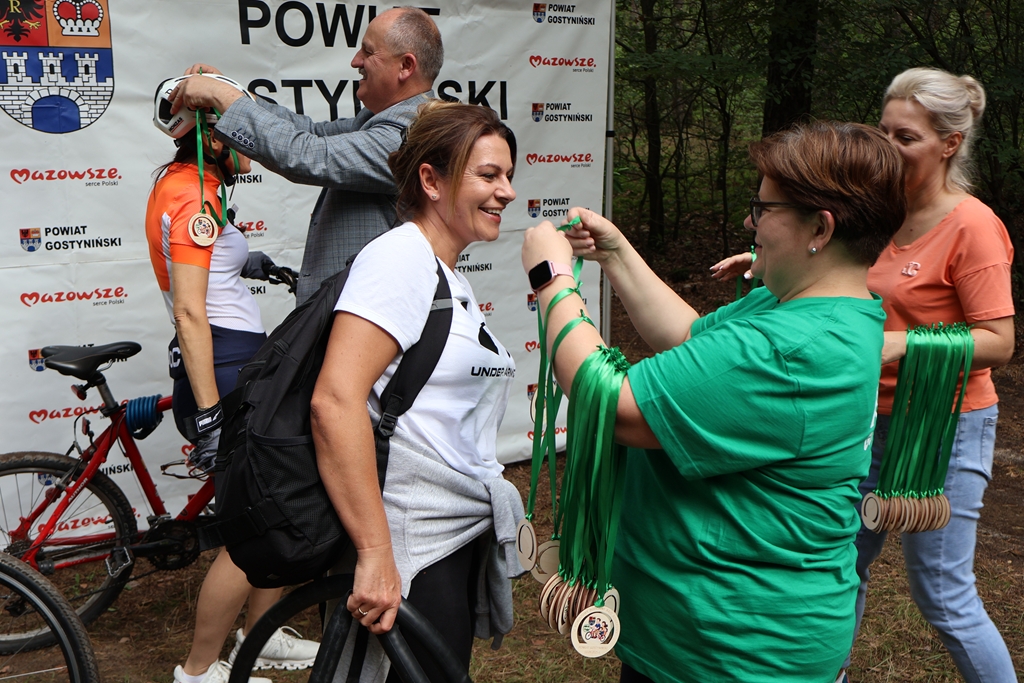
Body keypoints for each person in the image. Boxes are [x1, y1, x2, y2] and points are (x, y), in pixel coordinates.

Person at [521, 121, 907, 682]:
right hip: (707, 642)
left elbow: (616, 406)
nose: (749, 222)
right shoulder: (808, 308)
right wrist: (618, 255)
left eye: (763, 208)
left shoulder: (790, 347)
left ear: (820, 228)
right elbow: (690, 337)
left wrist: (551, 278)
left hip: (735, 655)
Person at [715, 69, 1017, 683]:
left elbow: (999, 342)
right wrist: (773, 255)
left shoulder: (973, 225)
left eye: (906, 137)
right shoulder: (879, 211)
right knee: (841, 565)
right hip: (861, 418)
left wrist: (899, 345)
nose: (889, 147)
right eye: (884, 132)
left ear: (950, 144)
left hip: (943, 428)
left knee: (943, 595)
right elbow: (840, 270)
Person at [309, 101, 524, 682]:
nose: (506, 192)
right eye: (488, 174)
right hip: (409, 545)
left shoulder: (444, 272)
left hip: (446, 538)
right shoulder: (399, 259)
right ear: (431, 180)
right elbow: (335, 401)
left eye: (508, 175)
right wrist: (375, 553)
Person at [146, 96, 319, 683]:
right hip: (224, 371)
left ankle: (261, 637)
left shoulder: (188, 184)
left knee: (276, 506)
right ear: (213, 139)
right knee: (256, 522)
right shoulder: (194, 194)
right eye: (241, 132)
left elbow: (198, 266)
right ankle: (198, 671)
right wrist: (211, 415)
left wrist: (246, 260)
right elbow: (190, 311)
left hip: (235, 363)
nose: (254, 143)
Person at [169, 6, 443, 304]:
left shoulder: (412, 134)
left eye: (368, 51)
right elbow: (312, 132)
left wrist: (223, 97)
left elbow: (308, 154)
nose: (356, 61)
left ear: (406, 66)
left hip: (371, 314)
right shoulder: (381, 119)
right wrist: (234, 93)